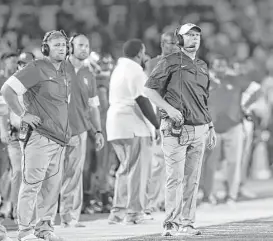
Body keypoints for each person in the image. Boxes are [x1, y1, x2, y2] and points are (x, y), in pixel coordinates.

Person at [144, 23, 216, 236]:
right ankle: (170, 223)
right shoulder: (170, 61)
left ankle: (187, 223)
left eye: (197, 35)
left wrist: (210, 125)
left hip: (200, 128)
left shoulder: (203, 65)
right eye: (190, 35)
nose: (194, 39)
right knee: (174, 177)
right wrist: (167, 108)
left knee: (192, 180)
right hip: (175, 129)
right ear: (180, 39)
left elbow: (204, 98)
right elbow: (149, 90)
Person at [1, 30, 72, 241]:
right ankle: (24, 231)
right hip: (39, 136)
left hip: (59, 139)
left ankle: (44, 229)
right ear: (45, 48)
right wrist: (23, 114)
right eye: (56, 44)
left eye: (64, 45)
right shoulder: (37, 67)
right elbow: (7, 90)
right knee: (31, 185)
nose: (61, 48)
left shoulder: (64, 71)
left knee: (51, 188)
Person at [106, 39, 160, 225]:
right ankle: (134, 213)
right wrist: (157, 125)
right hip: (132, 126)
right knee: (136, 171)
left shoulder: (119, 68)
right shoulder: (135, 70)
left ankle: (118, 212)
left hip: (115, 125)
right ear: (139, 53)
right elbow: (142, 100)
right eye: (143, 53)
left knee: (125, 170)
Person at [56, 33, 104, 228]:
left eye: (87, 46)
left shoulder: (88, 75)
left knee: (74, 175)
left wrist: (98, 131)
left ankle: (69, 218)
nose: (84, 49)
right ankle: (44, 219)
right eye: (81, 45)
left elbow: (93, 107)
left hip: (80, 131)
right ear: (71, 47)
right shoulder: (57, 68)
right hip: (55, 131)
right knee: (52, 175)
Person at [144, 31, 179, 214]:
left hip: (175, 118)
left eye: (174, 43)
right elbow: (146, 93)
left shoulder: (182, 63)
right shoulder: (151, 64)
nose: (171, 46)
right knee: (156, 164)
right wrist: (153, 122)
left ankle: (165, 202)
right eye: (168, 43)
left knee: (171, 165)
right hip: (157, 118)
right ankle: (149, 203)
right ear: (161, 44)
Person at [0, 52, 35, 222]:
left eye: (27, 64)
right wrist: (2, 130)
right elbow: (3, 110)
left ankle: (27, 212)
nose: (24, 66)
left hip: (34, 134)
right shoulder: (11, 83)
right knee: (18, 171)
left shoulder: (38, 84)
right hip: (15, 134)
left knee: (32, 173)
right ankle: (15, 210)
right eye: (21, 64)